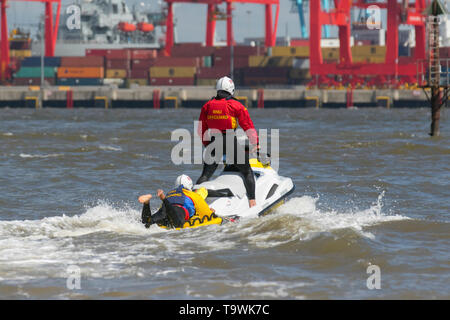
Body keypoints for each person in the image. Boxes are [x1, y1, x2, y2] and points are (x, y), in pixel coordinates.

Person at [197, 76, 259, 208]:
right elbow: (247, 125)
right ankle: (252, 202)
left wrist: (207, 145)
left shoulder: (207, 106)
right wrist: (255, 143)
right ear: (231, 89)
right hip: (230, 141)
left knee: (205, 175)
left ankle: (195, 201)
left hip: (213, 142)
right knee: (247, 171)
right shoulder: (235, 105)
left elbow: (201, 129)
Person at [139, 174, 215, 228]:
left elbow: (161, 209)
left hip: (165, 208)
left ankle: (147, 203)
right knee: (178, 223)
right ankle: (163, 199)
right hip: (178, 210)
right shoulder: (193, 195)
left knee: (147, 222)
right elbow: (206, 213)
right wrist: (210, 211)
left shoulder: (170, 193)